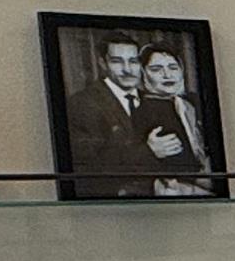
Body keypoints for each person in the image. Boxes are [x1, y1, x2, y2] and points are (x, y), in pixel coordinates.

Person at [61, 32, 155, 196]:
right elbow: (88, 166)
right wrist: (148, 150)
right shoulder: (82, 103)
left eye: (133, 61)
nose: (127, 70)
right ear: (102, 63)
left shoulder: (151, 100)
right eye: (117, 61)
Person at [137, 44, 216, 195]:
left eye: (173, 67)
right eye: (156, 69)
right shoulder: (140, 110)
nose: (167, 75)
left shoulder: (191, 103)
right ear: (143, 74)